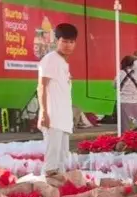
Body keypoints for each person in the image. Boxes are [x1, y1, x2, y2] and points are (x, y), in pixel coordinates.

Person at [38, 23, 78, 175]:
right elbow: (41, 86)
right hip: (53, 119)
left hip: (63, 120)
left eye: (71, 42)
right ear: (57, 41)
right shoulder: (50, 59)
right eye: (64, 41)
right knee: (51, 164)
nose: (68, 45)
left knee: (61, 161)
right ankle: (47, 193)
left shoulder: (62, 63)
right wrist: (43, 112)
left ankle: (57, 194)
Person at [116, 55, 137, 132]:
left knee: (125, 124)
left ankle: (125, 140)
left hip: (123, 102)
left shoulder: (120, 73)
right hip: (136, 101)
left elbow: (114, 85)